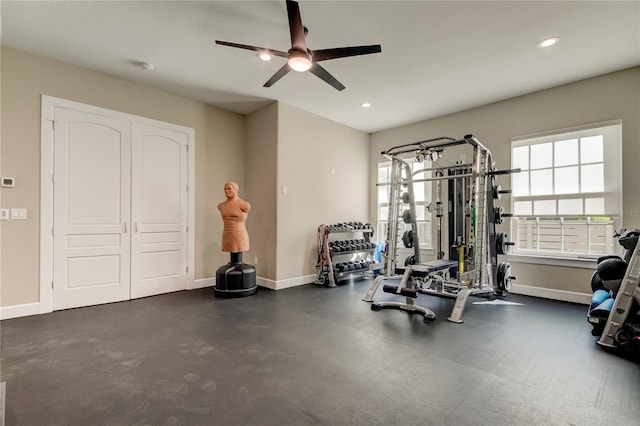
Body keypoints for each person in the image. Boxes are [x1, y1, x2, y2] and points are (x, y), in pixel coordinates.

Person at [217, 182, 251, 253]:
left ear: (236, 190)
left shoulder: (244, 205)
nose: (226, 191)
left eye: (229, 189)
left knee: (238, 257)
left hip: (239, 234)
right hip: (226, 234)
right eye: (225, 189)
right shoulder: (221, 206)